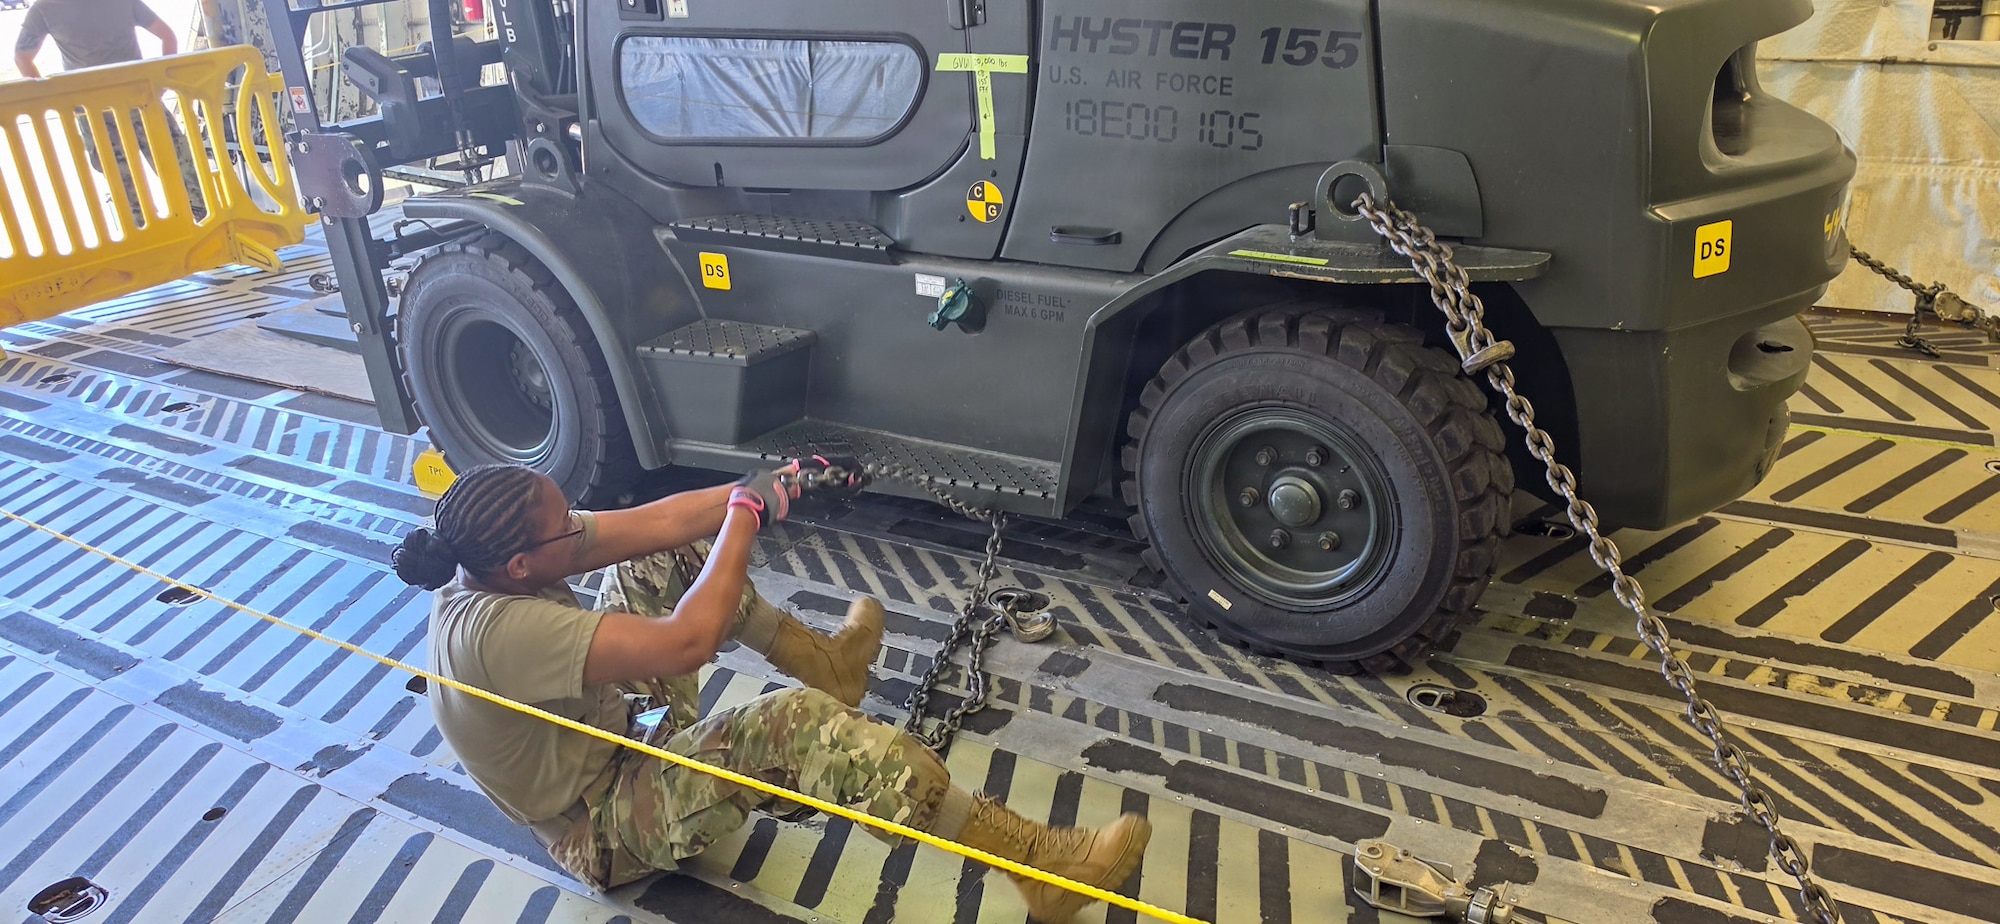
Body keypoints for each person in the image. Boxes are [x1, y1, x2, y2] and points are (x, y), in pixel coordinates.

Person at [390, 461, 1151, 923]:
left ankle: (833, 666)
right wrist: (747, 520)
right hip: (603, 827)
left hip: (616, 730)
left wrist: (764, 489)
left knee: (678, 552)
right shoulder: (494, 634)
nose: (577, 530)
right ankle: (1041, 870)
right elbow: (687, 642)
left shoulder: (499, 558)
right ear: (519, 566)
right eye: (564, 528)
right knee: (788, 726)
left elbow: (653, 524)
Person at [13, 0, 207, 225]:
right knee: (169, 169)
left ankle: (154, 234)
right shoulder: (46, 8)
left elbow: (22, 57)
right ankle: (197, 228)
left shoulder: (46, 8)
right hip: (130, 102)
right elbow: (167, 35)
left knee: (132, 181)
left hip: (109, 107)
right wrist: (160, 84)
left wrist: (56, 100)